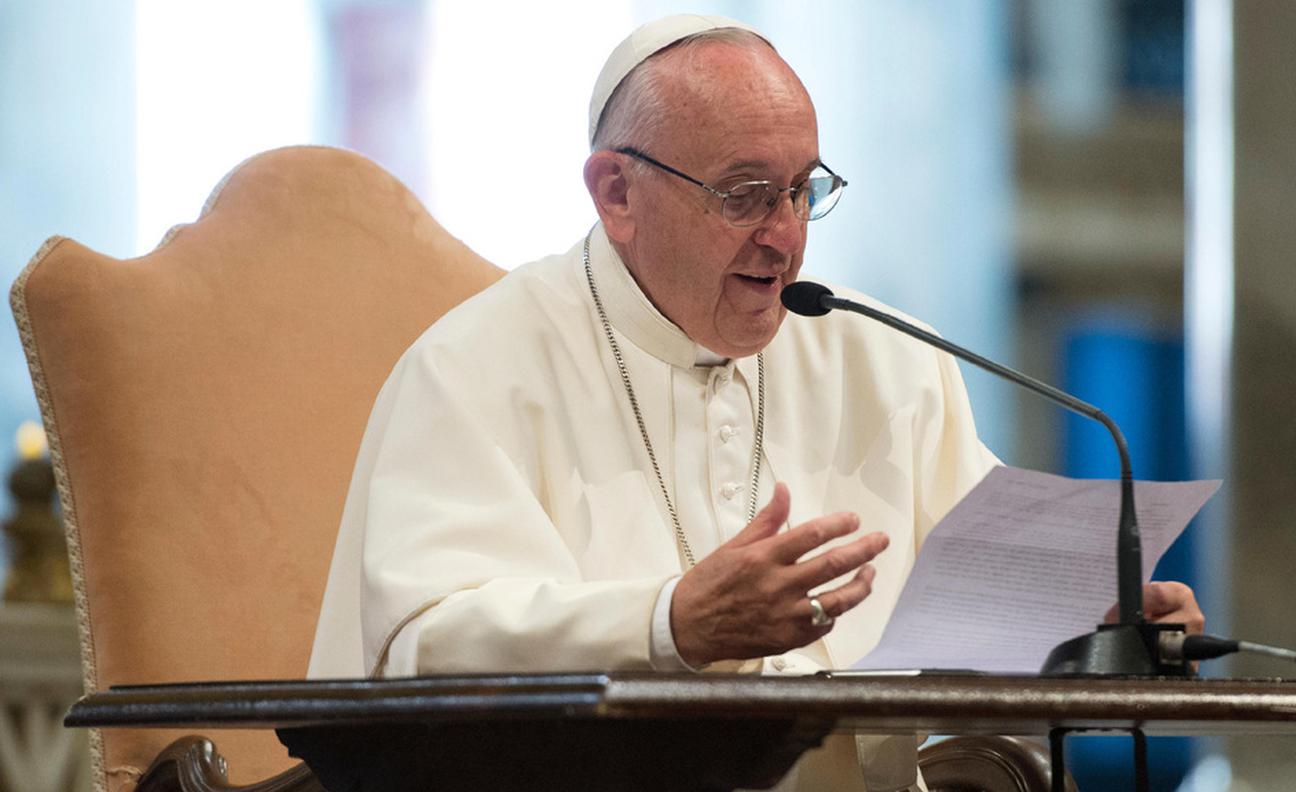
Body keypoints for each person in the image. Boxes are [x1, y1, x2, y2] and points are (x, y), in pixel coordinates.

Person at [308, 14, 1203, 791]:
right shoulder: (476, 365)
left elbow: (977, 598)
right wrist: (671, 626)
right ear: (616, 192)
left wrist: (1094, 621)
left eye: (803, 189)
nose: (785, 236)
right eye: (742, 194)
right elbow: (424, 646)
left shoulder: (883, 357)